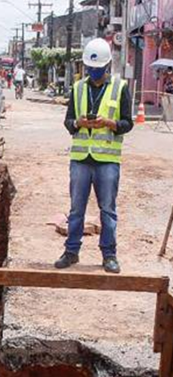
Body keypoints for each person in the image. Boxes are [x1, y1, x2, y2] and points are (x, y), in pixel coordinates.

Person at [55, 38, 134, 274]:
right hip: (80, 159)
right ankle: (71, 251)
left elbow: (127, 123)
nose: (94, 73)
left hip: (107, 161)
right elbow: (68, 122)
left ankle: (109, 255)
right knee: (76, 210)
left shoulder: (120, 88)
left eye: (98, 69)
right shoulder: (78, 88)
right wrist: (77, 123)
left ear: (107, 66)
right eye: (91, 69)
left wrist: (109, 123)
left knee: (107, 210)